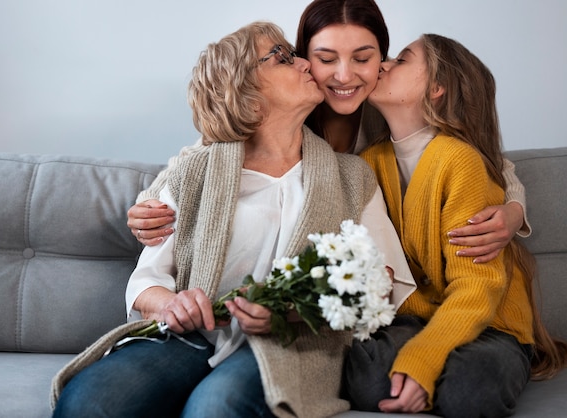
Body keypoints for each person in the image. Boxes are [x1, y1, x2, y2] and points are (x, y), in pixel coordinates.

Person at [51, 21, 415, 418]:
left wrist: (289, 312)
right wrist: (172, 305)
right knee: (90, 402)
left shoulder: (352, 177)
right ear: (246, 92)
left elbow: (382, 283)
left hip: (287, 347)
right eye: (281, 57)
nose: (304, 63)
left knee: (216, 408)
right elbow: (146, 282)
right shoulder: (197, 172)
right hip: (190, 338)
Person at [128, 0, 530, 265]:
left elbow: (479, 151)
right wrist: (149, 203)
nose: (344, 76)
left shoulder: (389, 113)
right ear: (303, 59)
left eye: (363, 57)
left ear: (382, 60)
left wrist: (513, 211)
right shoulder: (283, 112)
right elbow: (206, 152)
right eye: (325, 58)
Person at [344, 33, 567, 417]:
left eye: (400, 60)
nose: (382, 64)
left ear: (436, 89)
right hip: (415, 318)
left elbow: (477, 286)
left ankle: (443, 378)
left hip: (490, 321)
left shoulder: (458, 161)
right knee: (361, 375)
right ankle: (432, 382)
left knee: (470, 389)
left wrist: (423, 358)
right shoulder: (368, 163)